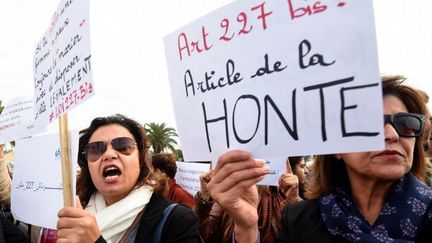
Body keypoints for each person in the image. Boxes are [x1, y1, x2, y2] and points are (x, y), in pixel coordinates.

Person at [208, 76, 432, 242]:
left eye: (406, 123)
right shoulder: (297, 219)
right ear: (336, 149)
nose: (392, 135)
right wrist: (246, 228)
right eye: (368, 124)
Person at [56, 114, 201, 242]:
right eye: (96, 149)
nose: (109, 154)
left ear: (140, 158)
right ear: (87, 164)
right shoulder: (72, 216)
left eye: (123, 145)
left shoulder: (178, 221)